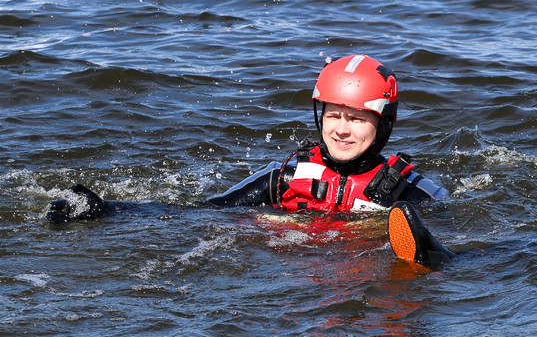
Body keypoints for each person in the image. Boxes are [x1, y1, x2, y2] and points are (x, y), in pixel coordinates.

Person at [46, 54, 447, 223]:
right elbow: (200, 212)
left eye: (357, 119)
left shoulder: (409, 191)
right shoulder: (284, 177)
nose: (342, 129)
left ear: (384, 124)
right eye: (334, 116)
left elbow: (459, 236)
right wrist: (109, 211)